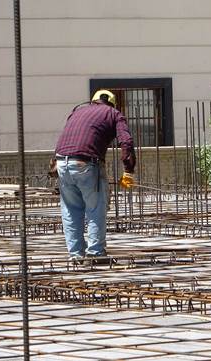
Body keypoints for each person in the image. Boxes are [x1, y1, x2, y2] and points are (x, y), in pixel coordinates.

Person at [55, 89, 136, 262]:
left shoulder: (77, 111)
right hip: (86, 163)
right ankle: (96, 252)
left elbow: (66, 138)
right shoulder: (114, 114)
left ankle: (75, 255)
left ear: (93, 101)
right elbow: (126, 141)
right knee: (95, 207)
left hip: (61, 162)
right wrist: (128, 170)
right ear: (111, 103)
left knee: (70, 210)